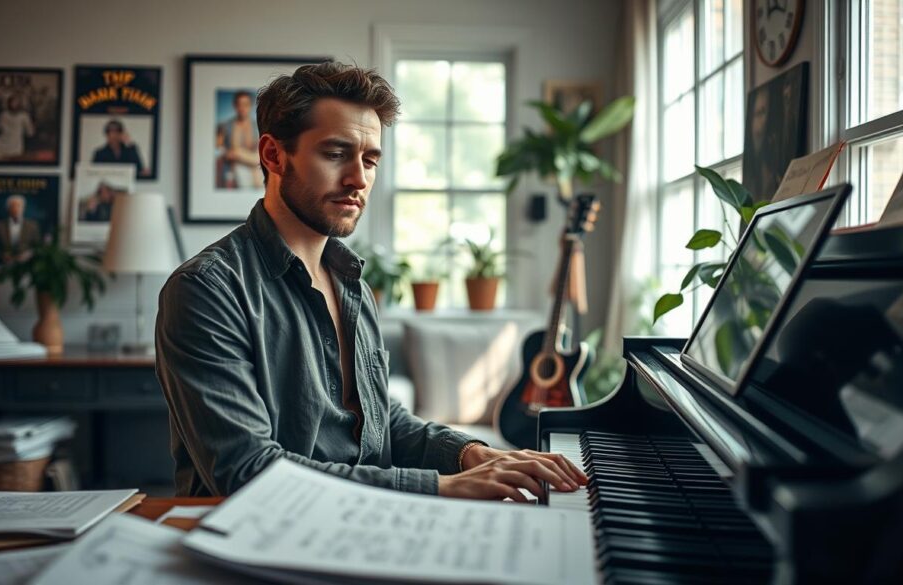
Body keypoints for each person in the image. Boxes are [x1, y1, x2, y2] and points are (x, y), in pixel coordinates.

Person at [156, 61, 587, 500]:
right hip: (255, 540)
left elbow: (377, 420)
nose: (359, 179)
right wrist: (441, 486)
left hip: (370, 522)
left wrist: (471, 454)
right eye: (335, 153)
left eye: (370, 159)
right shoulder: (205, 290)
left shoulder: (352, 284)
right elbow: (246, 470)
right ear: (273, 155)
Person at [215, 90, 261, 189]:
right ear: (235, 106)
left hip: (253, 164)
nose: (242, 108)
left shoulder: (256, 126)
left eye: (245, 104)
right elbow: (218, 148)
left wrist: (239, 153)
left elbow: (259, 148)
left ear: (250, 106)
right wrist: (227, 154)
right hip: (234, 165)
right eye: (240, 104)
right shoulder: (225, 126)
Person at [0, 194, 40, 262]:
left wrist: (28, 254)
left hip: (27, 265)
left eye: (19, 206)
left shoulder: (33, 226)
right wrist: (2, 255)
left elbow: (38, 248)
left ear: (24, 208)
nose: (17, 209)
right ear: (8, 209)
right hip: (3, 265)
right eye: (13, 206)